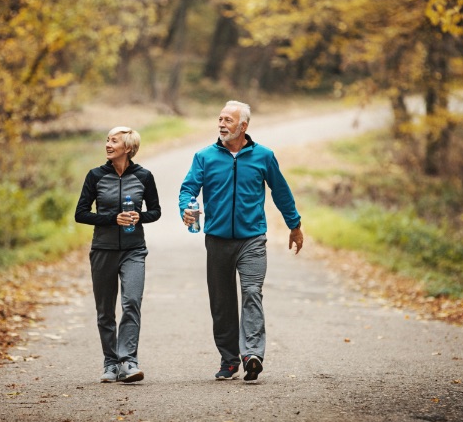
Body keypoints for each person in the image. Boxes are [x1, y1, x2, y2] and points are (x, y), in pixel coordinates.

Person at [179, 100, 304, 381]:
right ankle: (229, 359)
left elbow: (280, 191)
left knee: (251, 293)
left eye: (228, 120)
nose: (221, 124)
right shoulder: (204, 157)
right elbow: (188, 189)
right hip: (217, 240)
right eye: (220, 118)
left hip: (252, 239)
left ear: (243, 126)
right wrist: (187, 209)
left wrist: (294, 225)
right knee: (222, 303)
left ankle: (252, 355)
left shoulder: (264, 156)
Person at [75, 126, 161, 383]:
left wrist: (139, 216)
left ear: (128, 148)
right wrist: (113, 219)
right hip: (103, 250)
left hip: (134, 250)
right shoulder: (95, 176)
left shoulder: (144, 176)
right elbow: (81, 213)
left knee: (131, 302)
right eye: (107, 140)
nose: (108, 144)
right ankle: (110, 363)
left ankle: (129, 361)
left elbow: (155, 211)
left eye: (114, 141)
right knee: (105, 311)